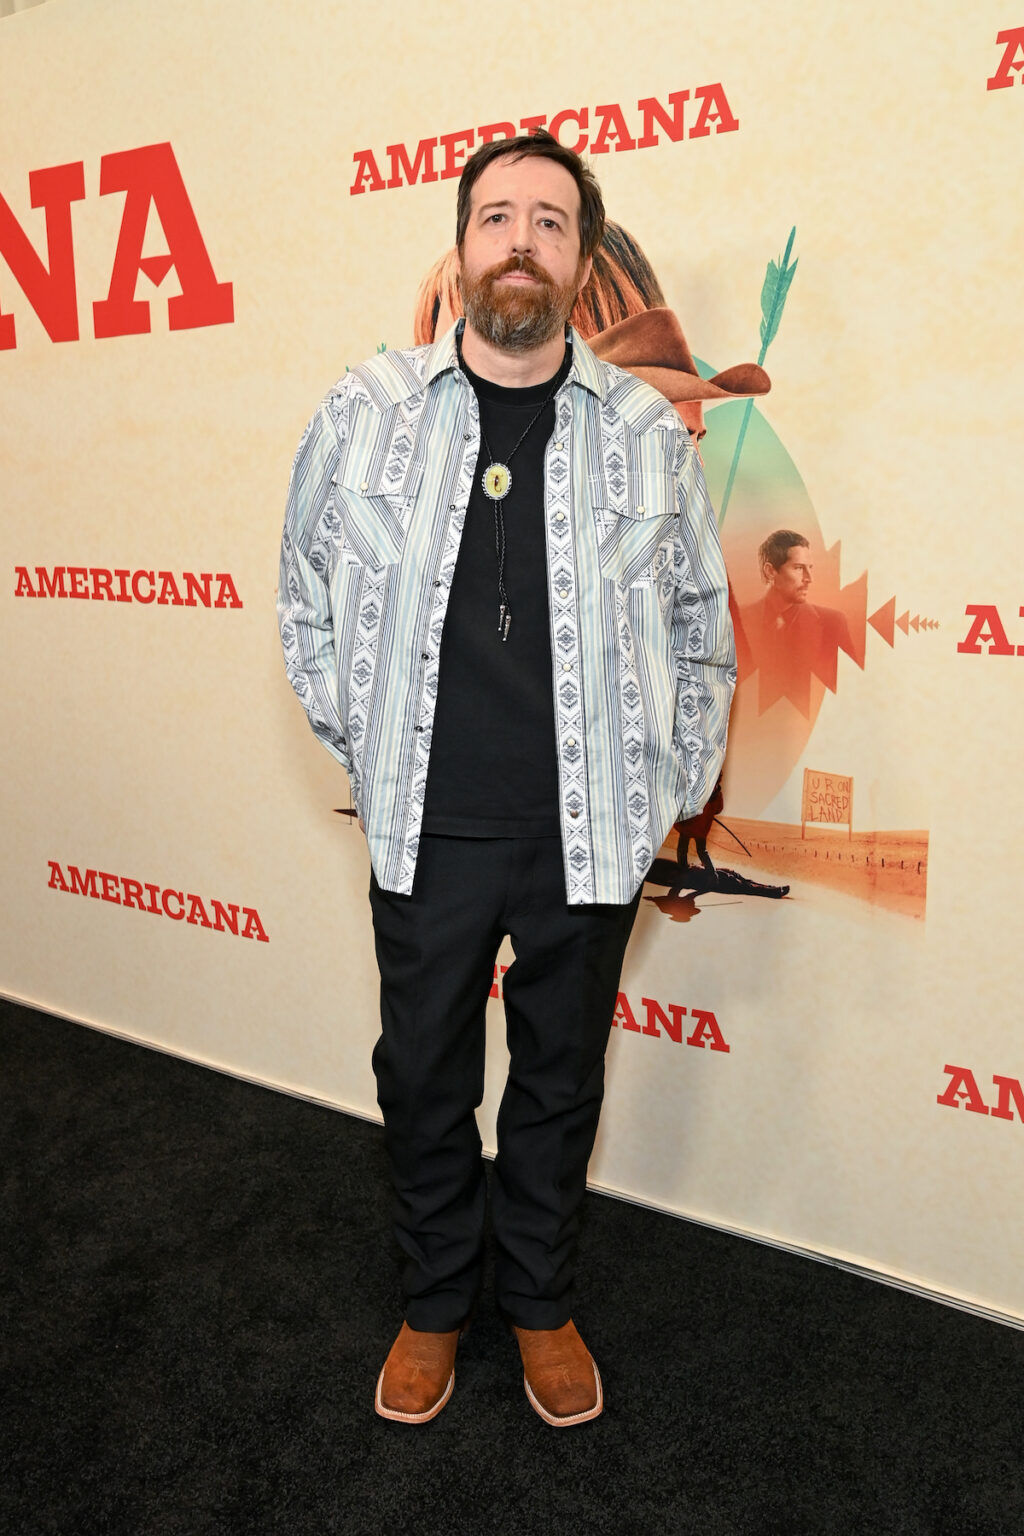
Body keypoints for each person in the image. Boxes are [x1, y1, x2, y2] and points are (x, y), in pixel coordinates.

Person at [278, 130, 734, 1427]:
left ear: (580, 259)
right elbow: (302, 593)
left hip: (587, 832)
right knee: (423, 1074)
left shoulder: (646, 429)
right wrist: (361, 736)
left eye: (549, 219)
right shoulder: (365, 410)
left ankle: (537, 1302)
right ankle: (434, 1300)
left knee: (557, 1077)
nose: (521, 239)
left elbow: (703, 622)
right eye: (496, 217)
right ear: (462, 248)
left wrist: (667, 783)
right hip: (429, 825)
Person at [740, 531, 853, 705]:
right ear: (770, 571)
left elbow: (846, 694)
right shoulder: (738, 622)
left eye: (810, 568)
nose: (809, 578)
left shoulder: (833, 624)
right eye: (799, 568)